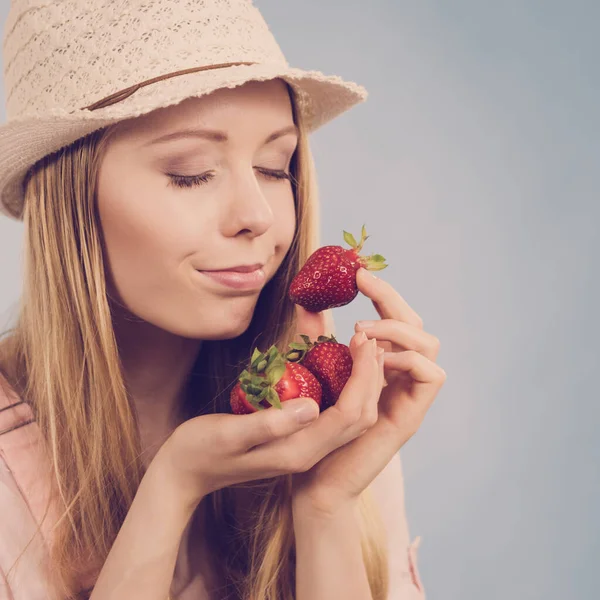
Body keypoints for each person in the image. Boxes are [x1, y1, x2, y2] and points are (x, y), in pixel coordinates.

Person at [0, 1, 446, 599]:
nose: (257, 217)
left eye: (273, 166)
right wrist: (172, 487)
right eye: (190, 173)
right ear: (72, 205)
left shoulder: (335, 417)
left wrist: (326, 504)